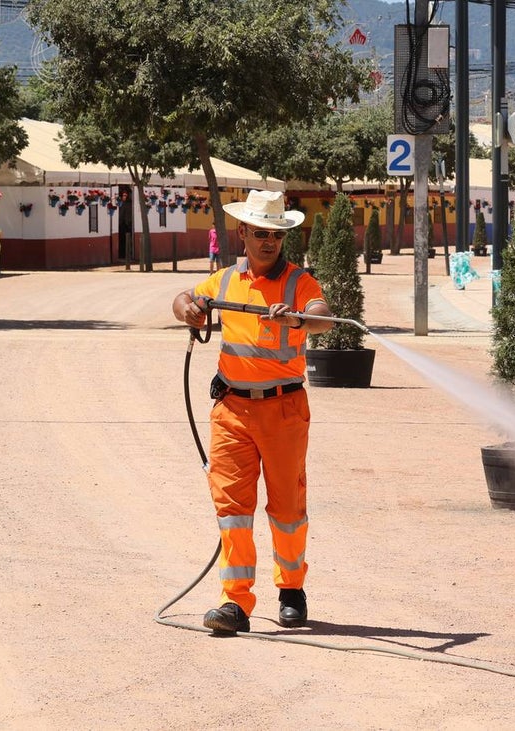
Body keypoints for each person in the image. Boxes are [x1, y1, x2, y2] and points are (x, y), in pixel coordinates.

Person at [171, 189, 334, 635]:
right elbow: (185, 297)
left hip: (283, 409)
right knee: (232, 509)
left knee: (287, 507)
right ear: (243, 232)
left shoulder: (299, 283)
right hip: (232, 410)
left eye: (277, 236)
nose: (268, 243)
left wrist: (298, 319)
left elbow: (322, 316)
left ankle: (291, 590)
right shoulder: (223, 281)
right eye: (261, 234)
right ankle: (234, 603)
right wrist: (188, 308)